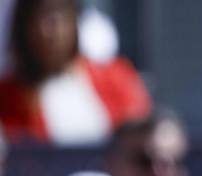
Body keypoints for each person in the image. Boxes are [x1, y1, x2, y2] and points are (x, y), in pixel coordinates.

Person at [0, 0, 151, 145]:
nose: (49, 30)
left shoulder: (116, 78)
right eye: (38, 17)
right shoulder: (8, 97)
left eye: (59, 14)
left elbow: (143, 137)